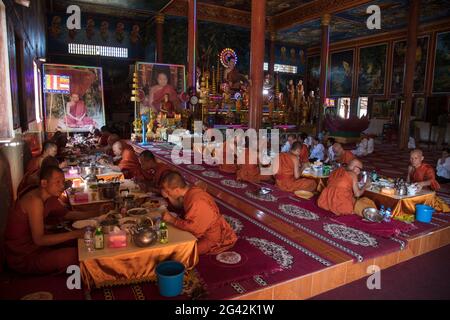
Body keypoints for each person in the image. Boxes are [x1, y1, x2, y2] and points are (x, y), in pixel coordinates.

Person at [4, 166, 105, 274]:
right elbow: (39, 240)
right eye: (57, 182)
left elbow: (67, 214)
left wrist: (98, 212)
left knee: (78, 243)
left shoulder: (47, 196)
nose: (62, 186)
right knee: (78, 254)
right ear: (44, 183)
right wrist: (76, 234)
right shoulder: (34, 201)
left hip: (38, 247)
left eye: (63, 182)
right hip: (23, 256)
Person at [160, 172, 237, 255]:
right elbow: (180, 207)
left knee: (184, 253)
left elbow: (195, 228)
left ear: (177, 190)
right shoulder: (190, 191)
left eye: (168, 192)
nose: (167, 194)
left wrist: (172, 220)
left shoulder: (196, 201)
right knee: (175, 237)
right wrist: (169, 197)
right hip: (201, 227)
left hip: (210, 236)